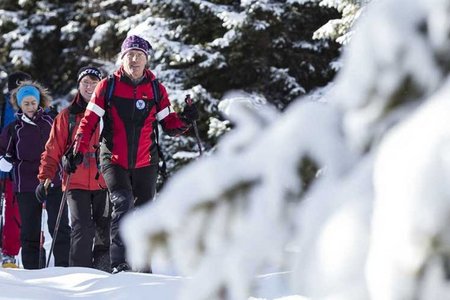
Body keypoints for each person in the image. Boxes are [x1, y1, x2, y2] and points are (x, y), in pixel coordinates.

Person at [67, 35, 199, 274]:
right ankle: (120, 262)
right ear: (122, 58)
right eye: (130, 55)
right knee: (122, 204)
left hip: (146, 160)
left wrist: (186, 119)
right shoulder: (108, 86)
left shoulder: (156, 89)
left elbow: (169, 125)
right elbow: (89, 121)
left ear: (146, 60)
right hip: (113, 159)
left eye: (139, 55)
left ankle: (143, 264)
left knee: (145, 211)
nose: (135, 59)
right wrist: (78, 148)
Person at [36, 66, 112, 272]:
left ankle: (103, 273)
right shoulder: (67, 116)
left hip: (104, 182)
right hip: (75, 181)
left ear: (100, 86)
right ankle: (80, 274)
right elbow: (52, 149)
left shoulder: (108, 114)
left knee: (103, 230)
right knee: (81, 228)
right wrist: (45, 178)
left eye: (93, 83)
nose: (89, 87)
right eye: (85, 82)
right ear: (79, 86)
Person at [0, 81, 70, 269]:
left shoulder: (51, 121)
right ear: (20, 105)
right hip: (26, 184)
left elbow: (64, 144)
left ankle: (65, 268)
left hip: (52, 180)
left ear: (39, 102)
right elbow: (5, 152)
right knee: (29, 231)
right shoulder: (14, 128)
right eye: (26, 104)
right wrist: (5, 159)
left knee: (59, 227)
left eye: (33, 103)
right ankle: (32, 272)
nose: (30, 107)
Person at [0, 71, 31, 267]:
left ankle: (9, 253)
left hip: (17, 172)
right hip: (3, 166)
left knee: (14, 214)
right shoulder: (3, 106)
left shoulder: (34, 107)